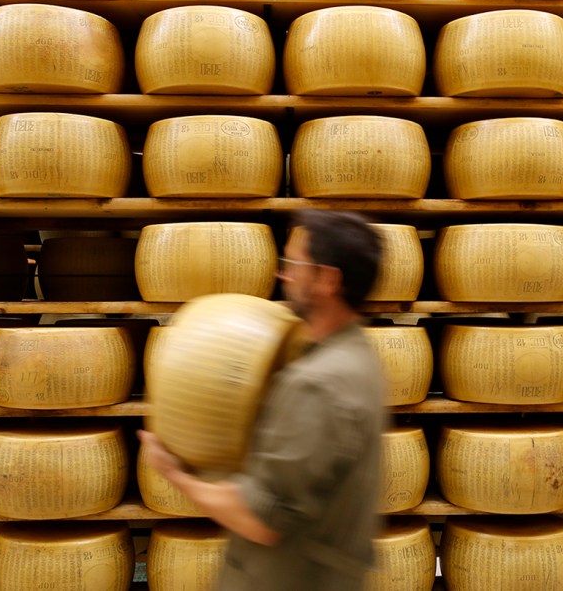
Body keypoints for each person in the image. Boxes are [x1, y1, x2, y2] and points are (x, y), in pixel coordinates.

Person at [138, 209, 386, 590]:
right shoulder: (359, 356)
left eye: (294, 264)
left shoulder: (316, 384)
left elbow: (261, 519)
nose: (282, 274)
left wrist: (175, 474)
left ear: (327, 280)